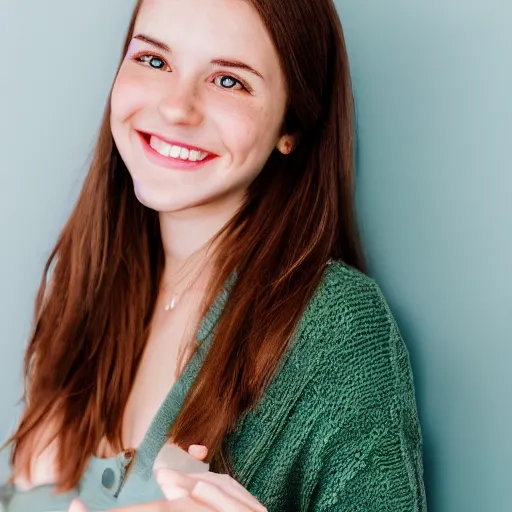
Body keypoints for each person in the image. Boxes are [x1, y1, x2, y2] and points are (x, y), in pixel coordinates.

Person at [2, 0, 427, 510]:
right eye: (154, 61)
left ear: (290, 127)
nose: (177, 107)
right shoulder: (78, 291)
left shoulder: (337, 328)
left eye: (229, 81)